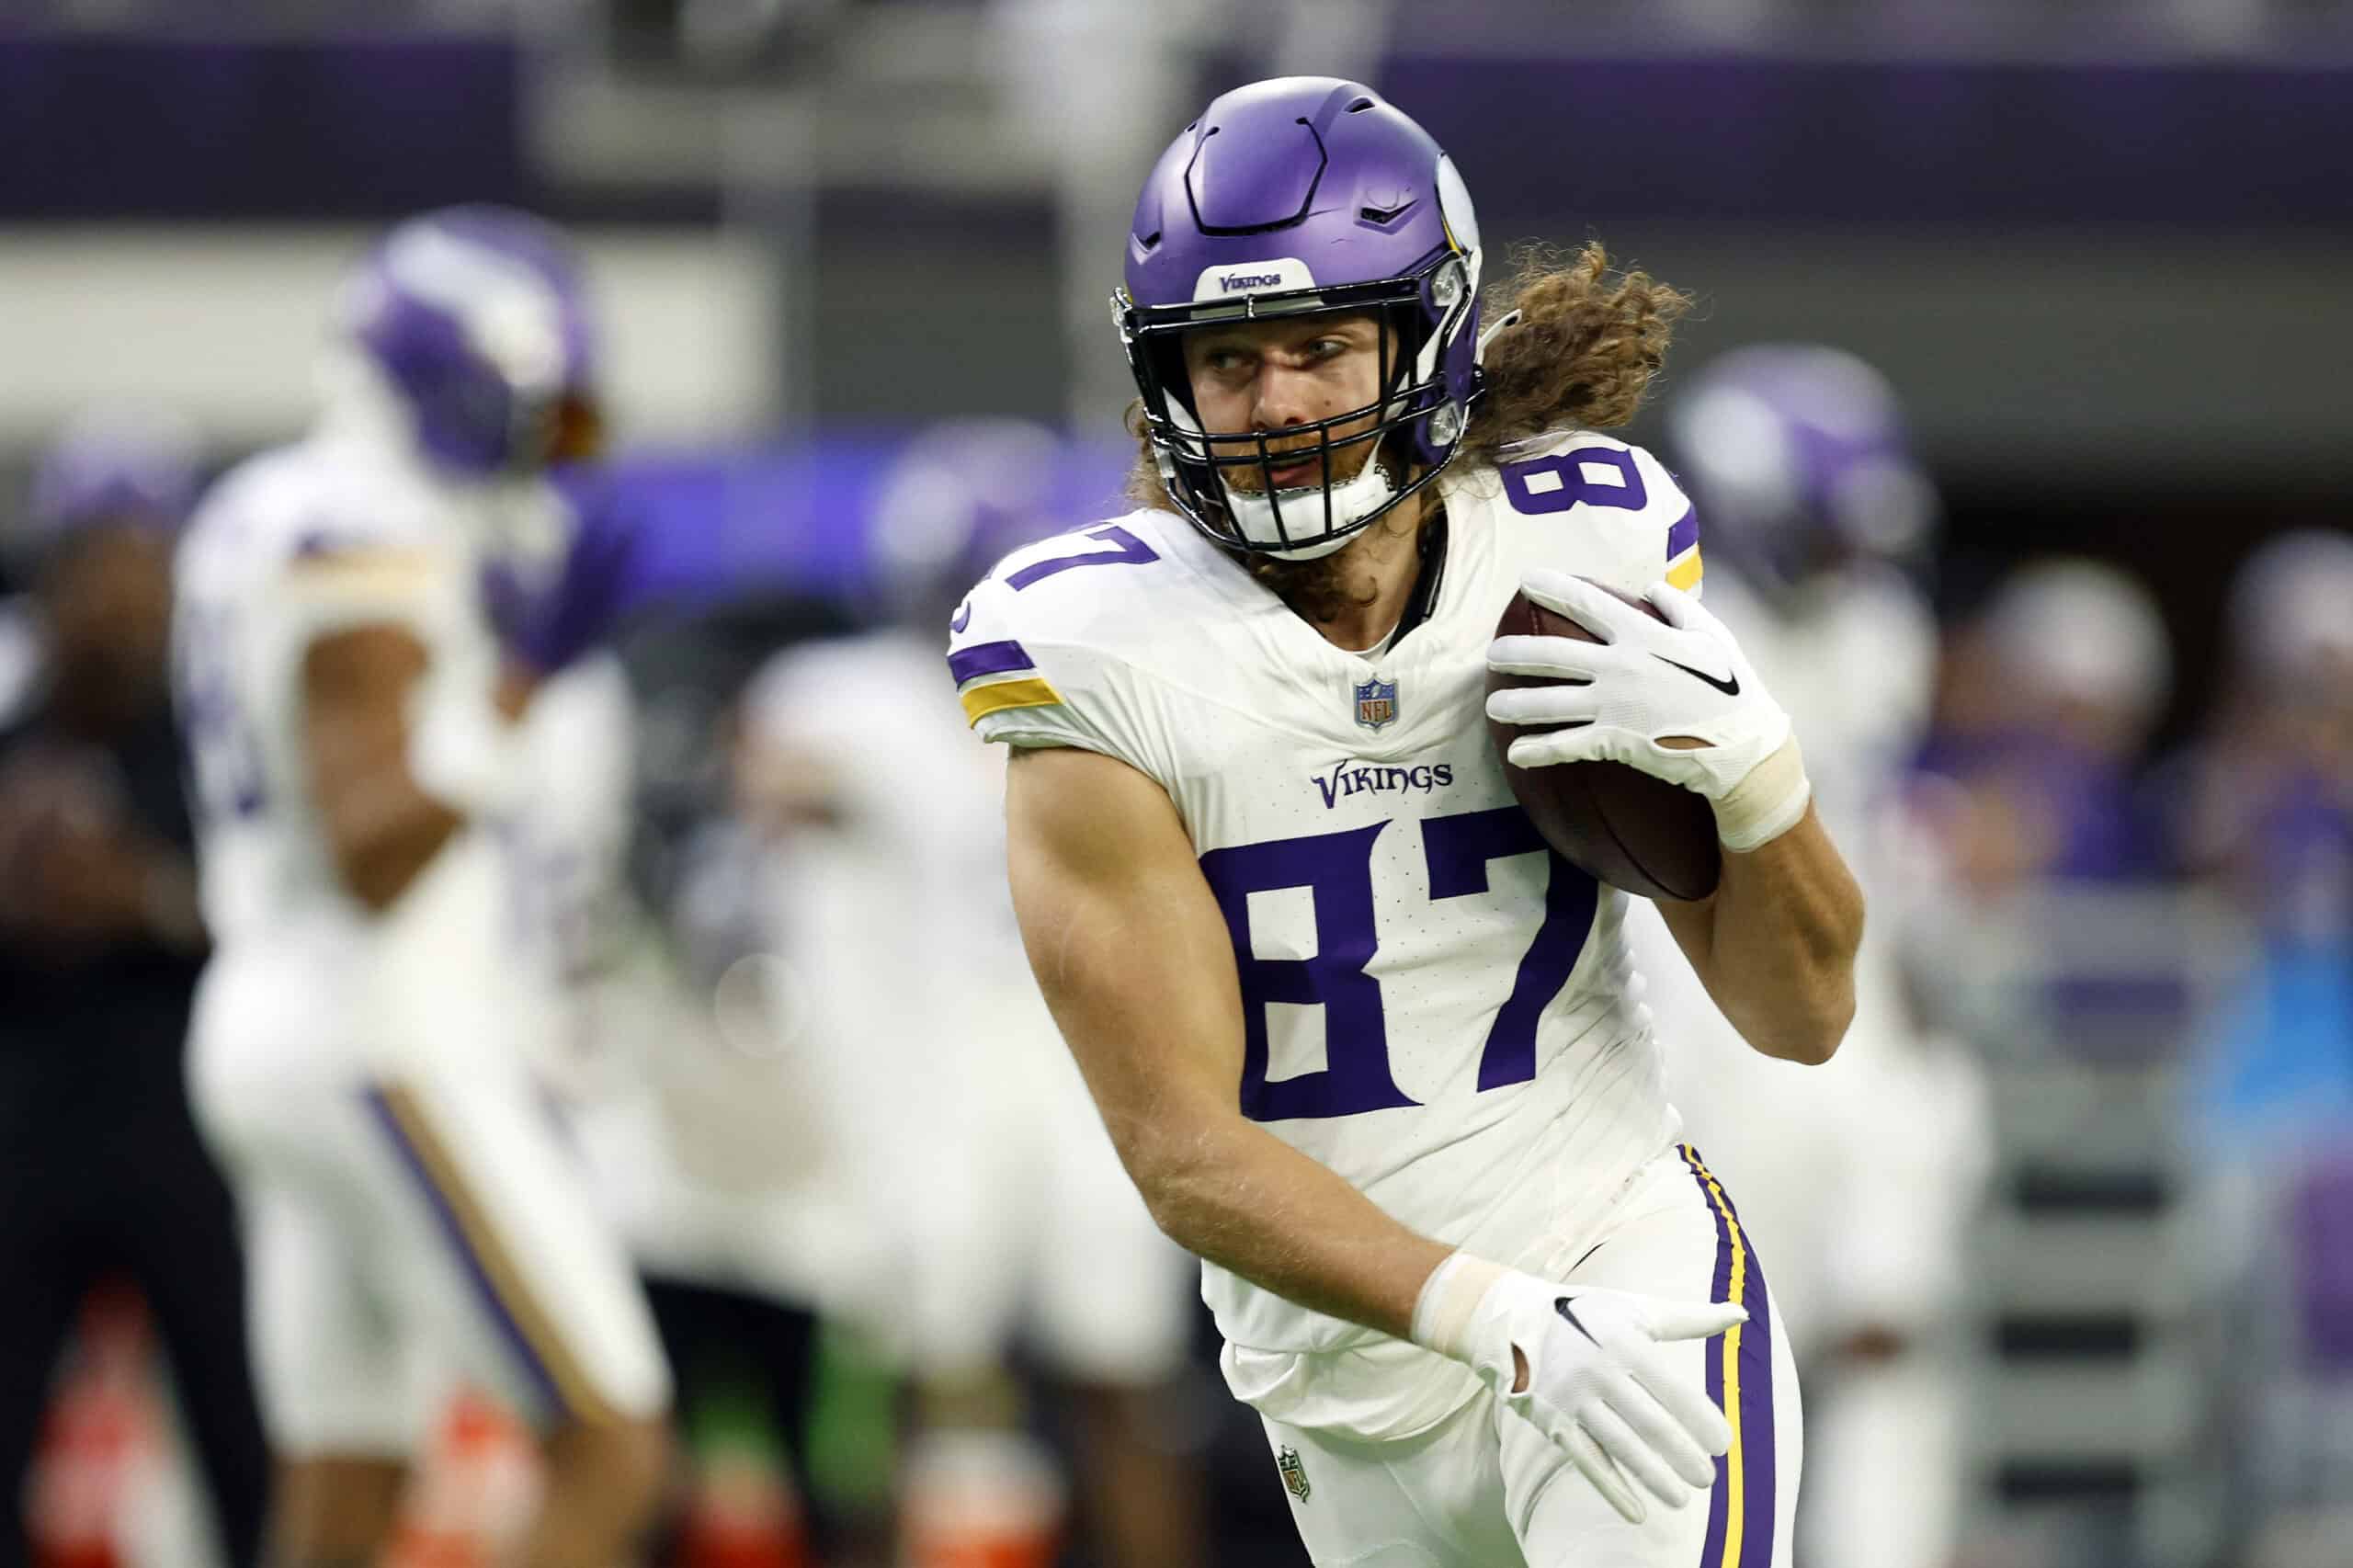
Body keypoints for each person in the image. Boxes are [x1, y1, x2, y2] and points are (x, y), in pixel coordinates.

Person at [947, 77, 1863, 1567]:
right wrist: (1494, 1320)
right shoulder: (1102, 651)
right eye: (1230, 359)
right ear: (1165, 382)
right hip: (1350, 1388)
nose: (1280, 398)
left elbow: (1805, 1012)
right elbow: (1181, 1145)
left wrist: (1761, 784)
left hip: (1621, 1282)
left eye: (1319, 345)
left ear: (1421, 337)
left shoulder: (1581, 552)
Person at [173, 206, 673, 1568]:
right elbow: (372, 849)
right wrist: (514, 693)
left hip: (283, 1018)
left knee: (342, 1479)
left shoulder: (263, 508)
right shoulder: (365, 528)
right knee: (611, 1435)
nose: (550, 454)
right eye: (537, 415)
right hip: (373, 1026)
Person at [737, 419, 1205, 1568]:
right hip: (922, 1072)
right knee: (913, 1367)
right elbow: (772, 773)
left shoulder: (1113, 701)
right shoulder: (850, 697)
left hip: (1081, 1068)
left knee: (1120, 1374)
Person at [1636, 347, 1988, 1568]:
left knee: (1895, 1342)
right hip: (1710, 1028)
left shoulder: (1880, 623)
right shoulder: (1663, 623)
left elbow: (1876, 830)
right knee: (1713, 1366)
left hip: (1863, 1017)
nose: (1847, 556)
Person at [0, 412, 270, 1568]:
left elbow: (286, 921)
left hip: (191, 1144)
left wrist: (146, 895)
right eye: (96, 564)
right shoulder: (14, 740)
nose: (119, 598)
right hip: (22, 1145)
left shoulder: (222, 748)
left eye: (144, 566)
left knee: (249, 1447)